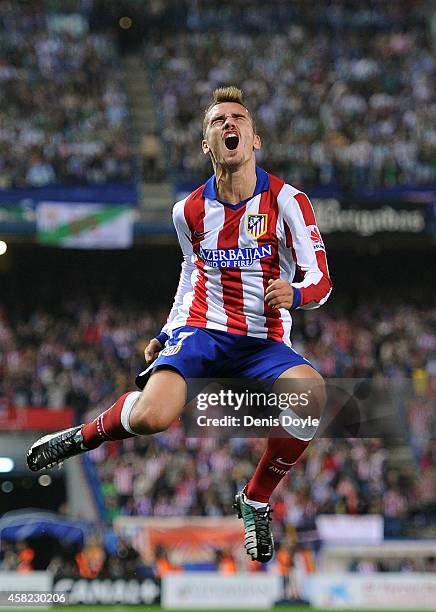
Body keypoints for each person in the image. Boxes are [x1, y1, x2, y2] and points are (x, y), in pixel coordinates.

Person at [27, 86, 332, 563]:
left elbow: (321, 280)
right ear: (206, 144)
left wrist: (295, 294)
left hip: (263, 342)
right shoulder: (187, 211)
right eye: (218, 121)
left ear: (256, 140)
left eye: (239, 119)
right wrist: (169, 333)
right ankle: (81, 436)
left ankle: (255, 499)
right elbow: (191, 276)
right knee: (152, 417)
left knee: (311, 397)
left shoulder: (289, 202)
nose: (229, 124)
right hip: (203, 331)